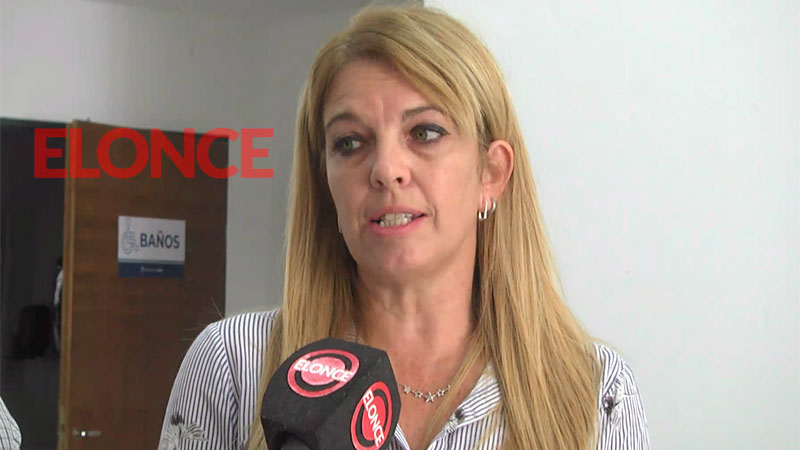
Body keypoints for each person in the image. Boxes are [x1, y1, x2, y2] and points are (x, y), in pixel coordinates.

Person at [159, 5, 649, 450]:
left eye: (425, 133)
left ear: (491, 173)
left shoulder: (596, 392)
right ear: (325, 183)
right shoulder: (233, 366)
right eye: (350, 143)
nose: (386, 169)